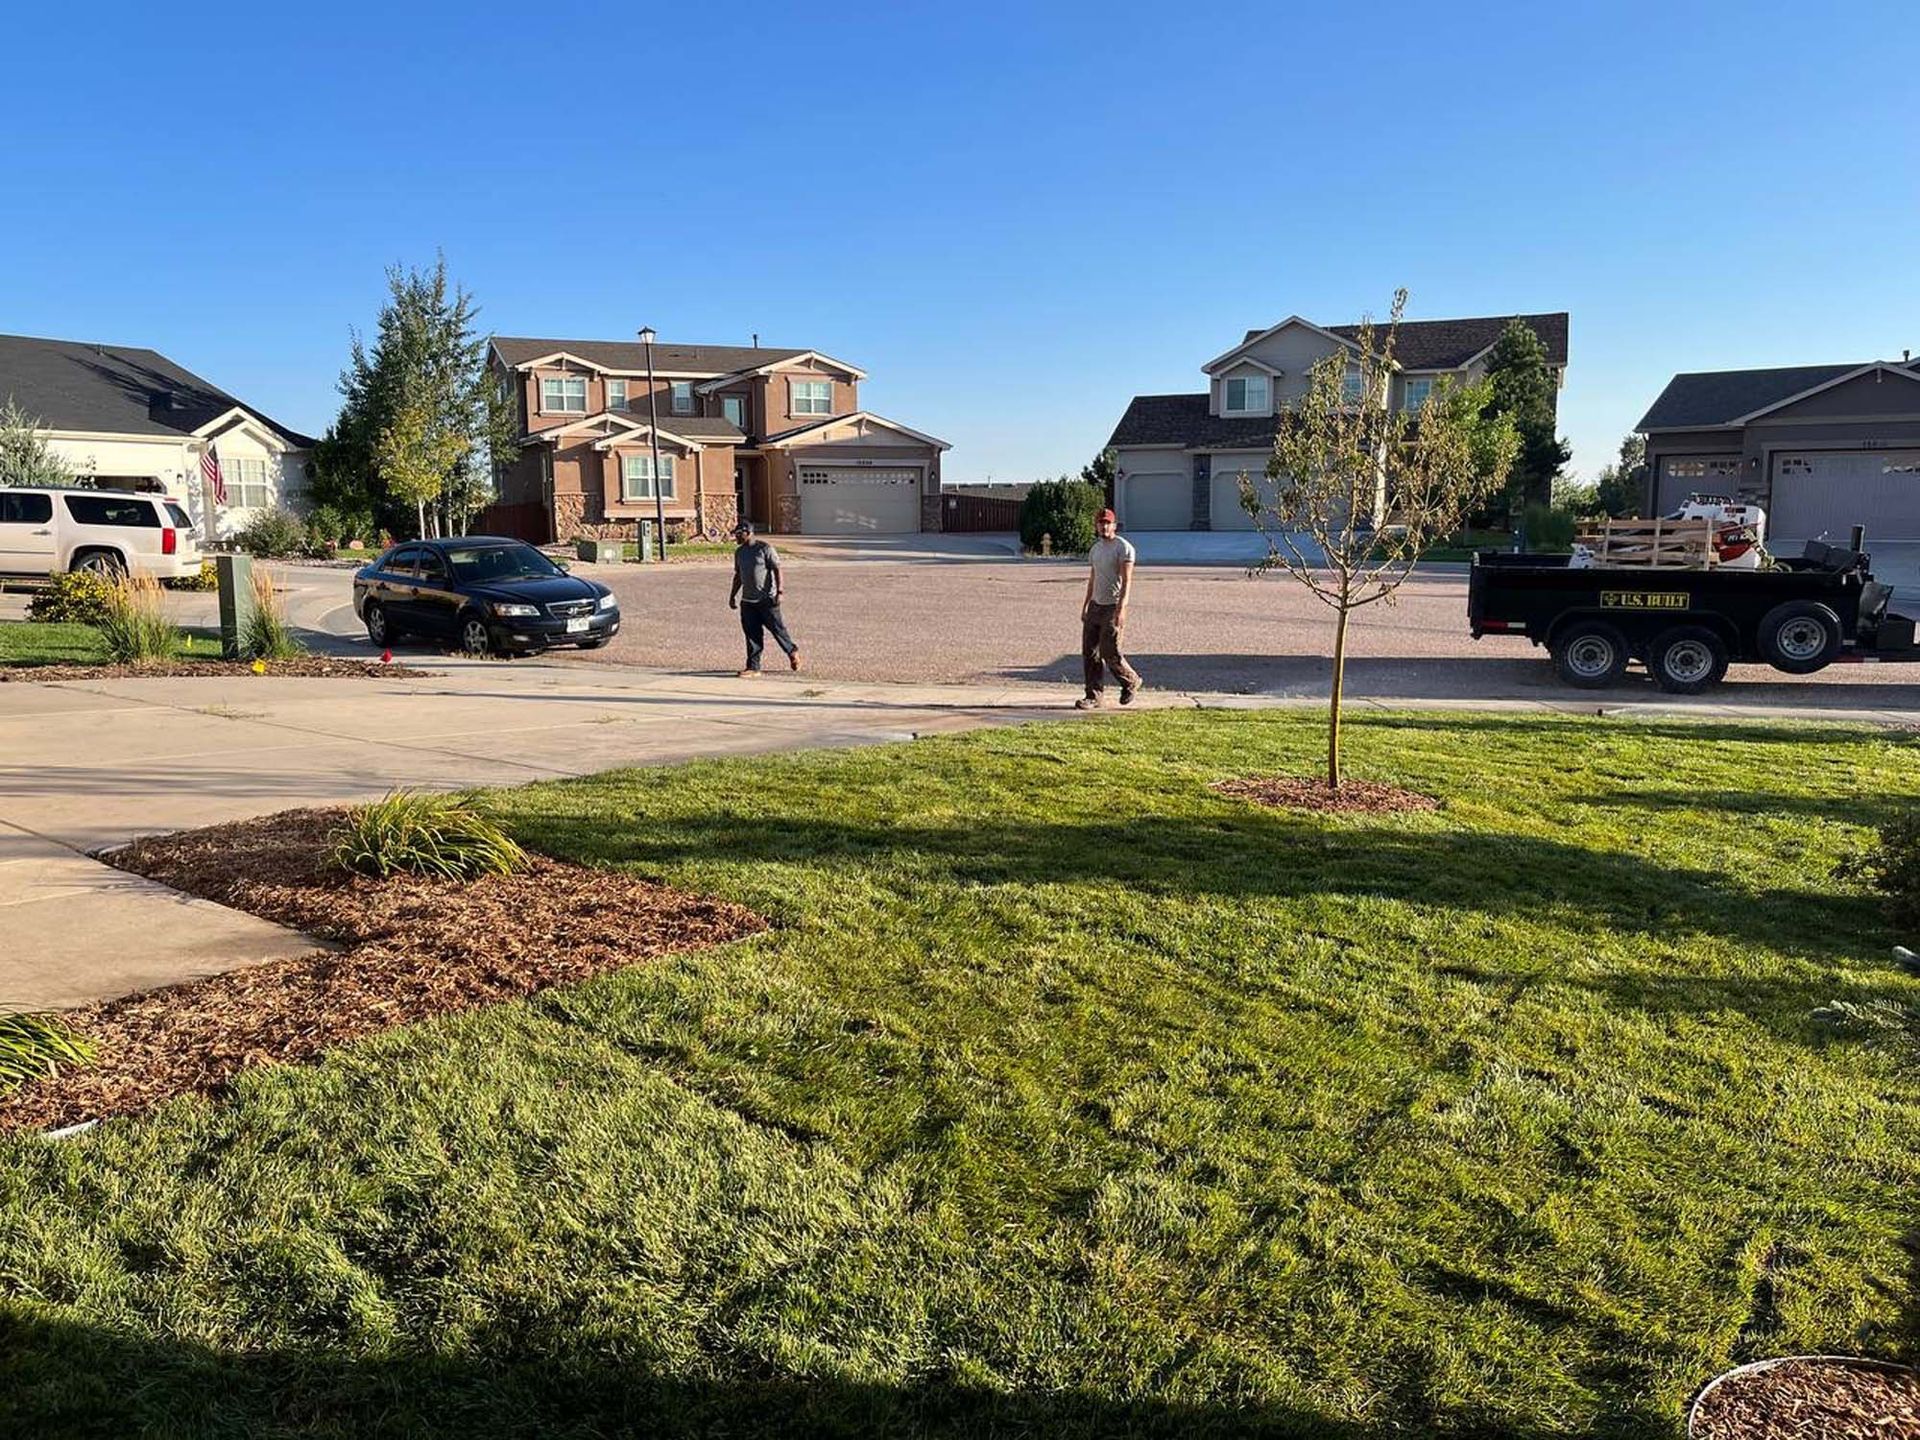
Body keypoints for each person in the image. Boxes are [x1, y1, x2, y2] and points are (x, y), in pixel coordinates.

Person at [1076, 507, 1142, 709]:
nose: (1104, 526)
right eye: (1100, 523)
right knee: (1090, 652)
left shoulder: (1124, 548)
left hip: (1112, 607)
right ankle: (1093, 696)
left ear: (1114, 525)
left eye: (1107, 523)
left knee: (1109, 651)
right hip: (1096, 606)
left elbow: (1127, 580)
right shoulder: (1095, 549)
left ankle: (1130, 681)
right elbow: (1093, 578)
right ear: (1096, 526)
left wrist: (1121, 609)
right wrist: (1086, 604)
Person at [728, 520, 802, 677]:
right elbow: (738, 575)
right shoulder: (739, 552)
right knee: (752, 635)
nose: (737, 537)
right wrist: (733, 595)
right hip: (747, 602)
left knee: (778, 630)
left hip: (767, 601)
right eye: (736, 535)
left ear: (748, 533)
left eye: (739, 534)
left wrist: (779, 592)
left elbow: (777, 569)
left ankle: (792, 652)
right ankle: (753, 667)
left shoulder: (764, 549)